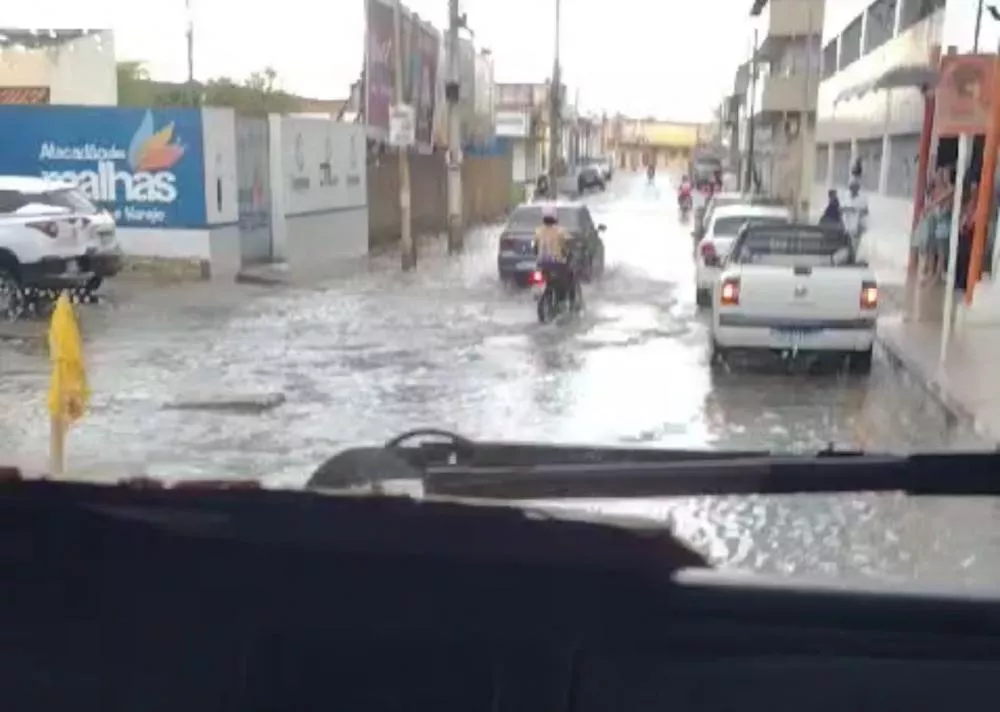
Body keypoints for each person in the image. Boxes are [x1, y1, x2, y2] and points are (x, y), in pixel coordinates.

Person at [534, 205, 577, 308]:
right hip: (558, 264)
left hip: (541, 265)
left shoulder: (538, 231)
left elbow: (535, 248)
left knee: (537, 279)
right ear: (555, 217)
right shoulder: (561, 231)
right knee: (570, 278)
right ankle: (572, 304)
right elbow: (569, 243)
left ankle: (542, 296)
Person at [841, 178, 869, 253]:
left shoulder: (862, 198)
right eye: (852, 188)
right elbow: (841, 209)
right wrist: (849, 209)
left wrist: (859, 211)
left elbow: (866, 211)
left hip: (857, 226)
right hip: (847, 225)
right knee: (847, 245)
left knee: (855, 246)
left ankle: (853, 258)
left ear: (858, 189)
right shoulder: (846, 196)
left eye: (855, 188)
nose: (853, 190)